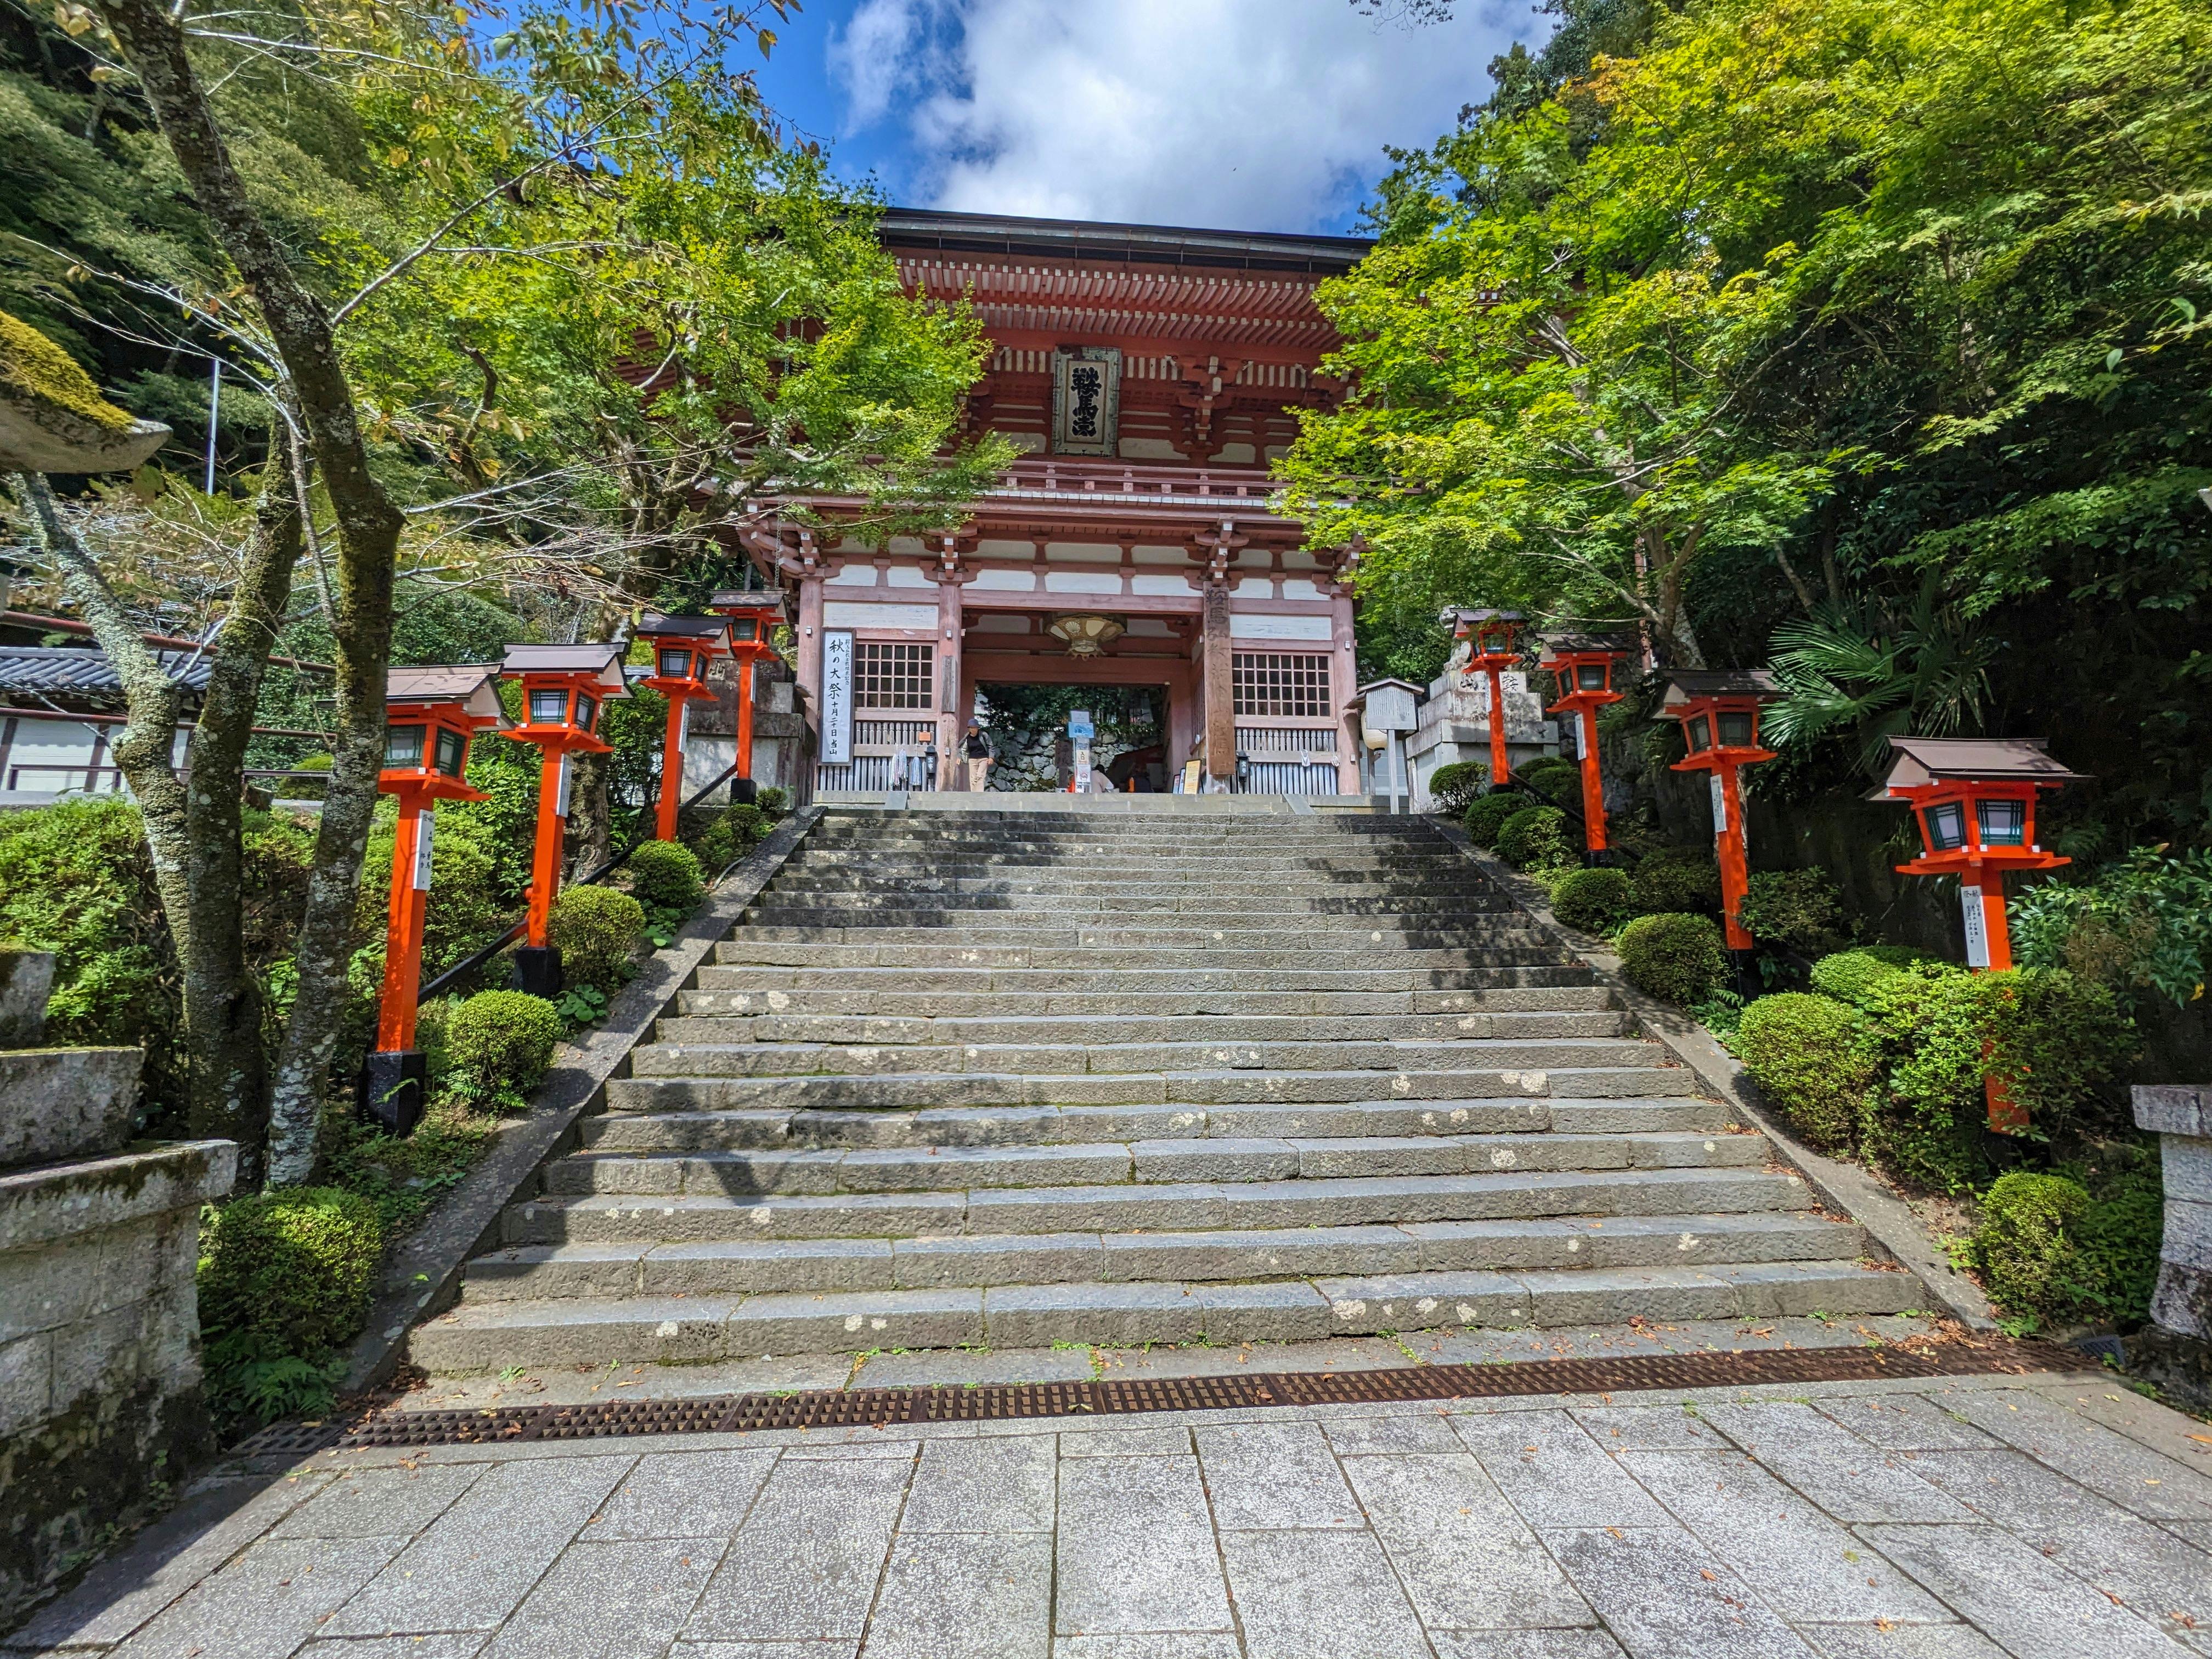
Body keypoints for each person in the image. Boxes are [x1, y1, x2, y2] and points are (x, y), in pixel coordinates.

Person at [962, 720, 994, 792]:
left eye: (974, 727)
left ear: (977, 728)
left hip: (983, 758)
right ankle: (974, 795)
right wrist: (959, 757)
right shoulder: (967, 737)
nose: (972, 729)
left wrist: (991, 757)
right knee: (973, 778)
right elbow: (961, 747)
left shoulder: (984, 735)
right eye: (971, 728)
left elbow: (991, 746)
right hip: (972, 759)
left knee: (980, 776)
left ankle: (979, 794)